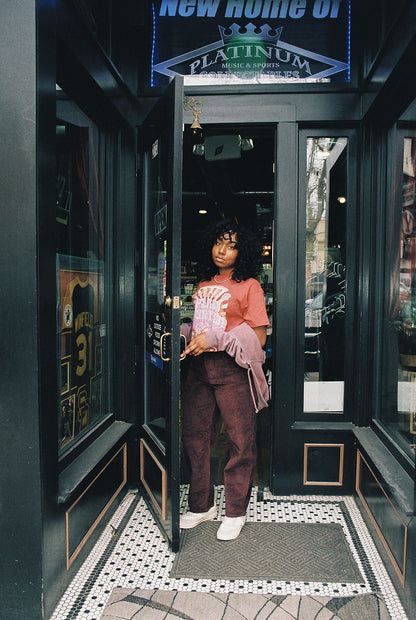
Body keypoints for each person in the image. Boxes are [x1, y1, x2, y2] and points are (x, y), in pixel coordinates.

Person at [180, 219, 269, 540]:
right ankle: (202, 505)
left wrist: (217, 337)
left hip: (233, 371)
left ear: (242, 252)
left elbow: (258, 337)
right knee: (195, 437)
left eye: (232, 245)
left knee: (239, 440)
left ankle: (235, 510)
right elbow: (202, 326)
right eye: (219, 242)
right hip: (199, 370)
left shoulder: (250, 286)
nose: (223, 250)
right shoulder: (204, 284)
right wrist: (187, 333)